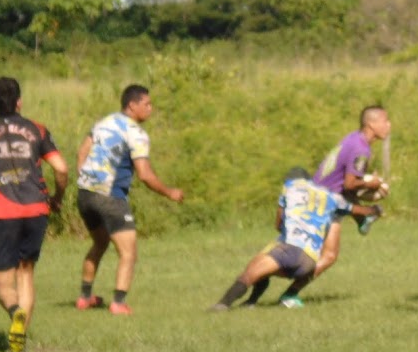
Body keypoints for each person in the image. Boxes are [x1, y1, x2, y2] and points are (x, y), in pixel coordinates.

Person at [0, 77, 68, 352]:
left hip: (2, 211)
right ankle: (18, 343)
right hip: (36, 209)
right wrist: (57, 198)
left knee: (3, 282)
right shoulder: (37, 130)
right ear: (19, 101)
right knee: (26, 274)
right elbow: (61, 168)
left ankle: (15, 313)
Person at [75, 84, 184, 315]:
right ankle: (118, 303)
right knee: (128, 253)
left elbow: (82, 151)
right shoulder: (136, 133)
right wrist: (169, 192)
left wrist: (85, 176)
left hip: (85, 194)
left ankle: (85, 298)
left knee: (100, 243)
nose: (150, 109)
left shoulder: (104, 123)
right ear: (132, 105)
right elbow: (144, 174)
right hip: (110, 197)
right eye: (147, 104)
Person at [270, 105, 392, 308]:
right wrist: (372, 185)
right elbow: (350, 184)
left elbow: (345, 183)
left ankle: (363, 219)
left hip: (321, 196)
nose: (389, 125)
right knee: (327, 256)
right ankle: (287, 292)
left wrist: (366, 194)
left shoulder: (353, 138)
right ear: (372, 124)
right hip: (326, 203)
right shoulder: (361, 149)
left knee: (309, 252)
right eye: (385, 121)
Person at [211, 168, 380, 310]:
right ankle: (254, 302)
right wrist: (375, 209)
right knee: (267, 265)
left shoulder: (290, 187)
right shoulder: (330, 196)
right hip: (309, 262)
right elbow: (358, 210)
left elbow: (278, 223)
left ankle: (223, 304)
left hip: (290, 250)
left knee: (251, 273)